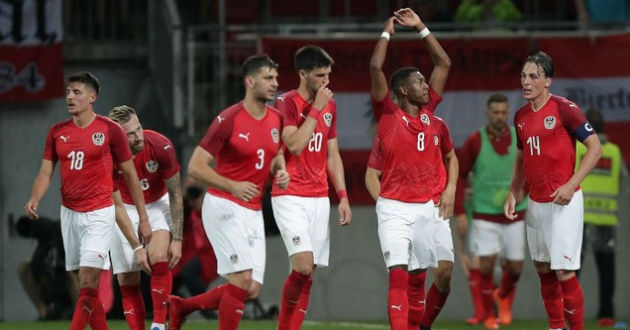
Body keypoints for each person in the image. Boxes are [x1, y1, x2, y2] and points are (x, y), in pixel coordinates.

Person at [168, 54, 289, 330]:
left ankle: (182, 307)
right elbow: (196, 167)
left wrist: (280, 170)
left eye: (276, 78)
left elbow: (275, 153)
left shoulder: (276, 119)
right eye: (268, 78)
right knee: (241, 280)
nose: (275, 84)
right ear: (249, 82)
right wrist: (232, 185)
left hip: (253, 209)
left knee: (251, 289)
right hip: (224, 205)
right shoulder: (228, 119)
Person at [24, 72, 151, 330]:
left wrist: (144, 219)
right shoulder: (57, 132)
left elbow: (130, 174)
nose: (70, 96)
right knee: (84, 284)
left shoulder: (110, 130)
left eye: (77, 92)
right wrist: (35, 197)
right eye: (68, 92)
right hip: (70, 214)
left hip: (100, 212)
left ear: (92, 97)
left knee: (87, 279)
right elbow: (46, 171)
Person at [504, 51, 602, 330]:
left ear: (548, 81)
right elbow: (522, 158)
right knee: (543, 269)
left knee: (564, 270)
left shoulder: (564, 108)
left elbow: (595, 150)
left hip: (564, 202)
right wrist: (514, 192)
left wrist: (571, 185)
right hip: (536, 202)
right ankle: (556, 326)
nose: (526, 81)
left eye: (533, 76)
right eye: (523, 75)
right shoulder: (521, 116)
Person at [369, 7, 451, 330]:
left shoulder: (430, 111)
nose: (424, 85)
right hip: (393, 207)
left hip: (426, 207)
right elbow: (376, 65)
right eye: (418, 81)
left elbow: (444, 63)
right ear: (403, 90)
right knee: (399, 274)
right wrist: (388, 31)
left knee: (420, 278)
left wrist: (421, 28)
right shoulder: (387, 114)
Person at [271, 45, 352, 330]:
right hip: (290, 194)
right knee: (303, 265)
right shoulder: (286, 103)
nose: (326, 82)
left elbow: (332, 155)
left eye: (328, 75)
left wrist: (342, 195)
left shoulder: (330, 104)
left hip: (319, 196)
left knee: (309, 273)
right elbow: (293, 143)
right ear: (303, 74)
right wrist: (316, 108)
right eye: (320, 75)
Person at [365, 113, 458, 330]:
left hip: (434, 207)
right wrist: (391, 210)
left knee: (444, 272)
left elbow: (452, 157)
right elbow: (371, 175)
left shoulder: (438, 125)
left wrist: (451, 188)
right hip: (401, 209)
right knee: (408, 274)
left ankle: (423, 325)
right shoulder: (391, 131)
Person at [107, 105, 184, 330]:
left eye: (138, 128)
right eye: (130, 134)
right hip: (124, 209)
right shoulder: (107, 157)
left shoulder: (161, 145)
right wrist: (135, 246)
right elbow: (114, 202)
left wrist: (177, 239)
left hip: (157, 203)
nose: (138, 136)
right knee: (127, 279)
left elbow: (176, 193)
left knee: (159, 254)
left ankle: (159, 324)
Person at [455, 93, 526, 329]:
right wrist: (460, 212)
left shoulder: (519, 137)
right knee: (485, 265)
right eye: (495, 112)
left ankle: (502, 297)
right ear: (488, 113)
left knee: (515, 267)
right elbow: (460, 176)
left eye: (504, 112)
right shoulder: (475, 141)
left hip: (514, 211)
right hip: (485, 212)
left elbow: (533, 167)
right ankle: (487, 316)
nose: (500, 117)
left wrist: (528, 189)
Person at [576, 109, 628, 327]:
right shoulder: (614, 152)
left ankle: (568, 312)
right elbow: (623, 182)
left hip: (578, 219)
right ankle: (606, 314)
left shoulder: (578, 148)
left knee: (572, 268)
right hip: (606, 219)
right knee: (606, 270)